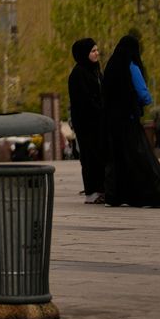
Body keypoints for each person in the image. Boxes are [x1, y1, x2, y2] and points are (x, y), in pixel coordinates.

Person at [100, 32, 160, 208]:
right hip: (129, 119)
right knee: (139, 156)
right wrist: (144, 101)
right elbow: (143, 94)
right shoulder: (131, 66)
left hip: (112, 120)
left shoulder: (110, 66)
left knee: (117, 158)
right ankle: (149, 195)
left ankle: (115, 196)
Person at [67, 39, 107, 203]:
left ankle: (101, 189)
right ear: (84, 53)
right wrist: (99, 109)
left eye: (97, 50)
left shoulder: (96, 71)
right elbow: (83, 100)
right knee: (90, 156)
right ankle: (92, 192)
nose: (97, 53)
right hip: (86, 123)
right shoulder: (78, 74)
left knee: (100, 155)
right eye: (93, 51)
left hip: (99, 122)